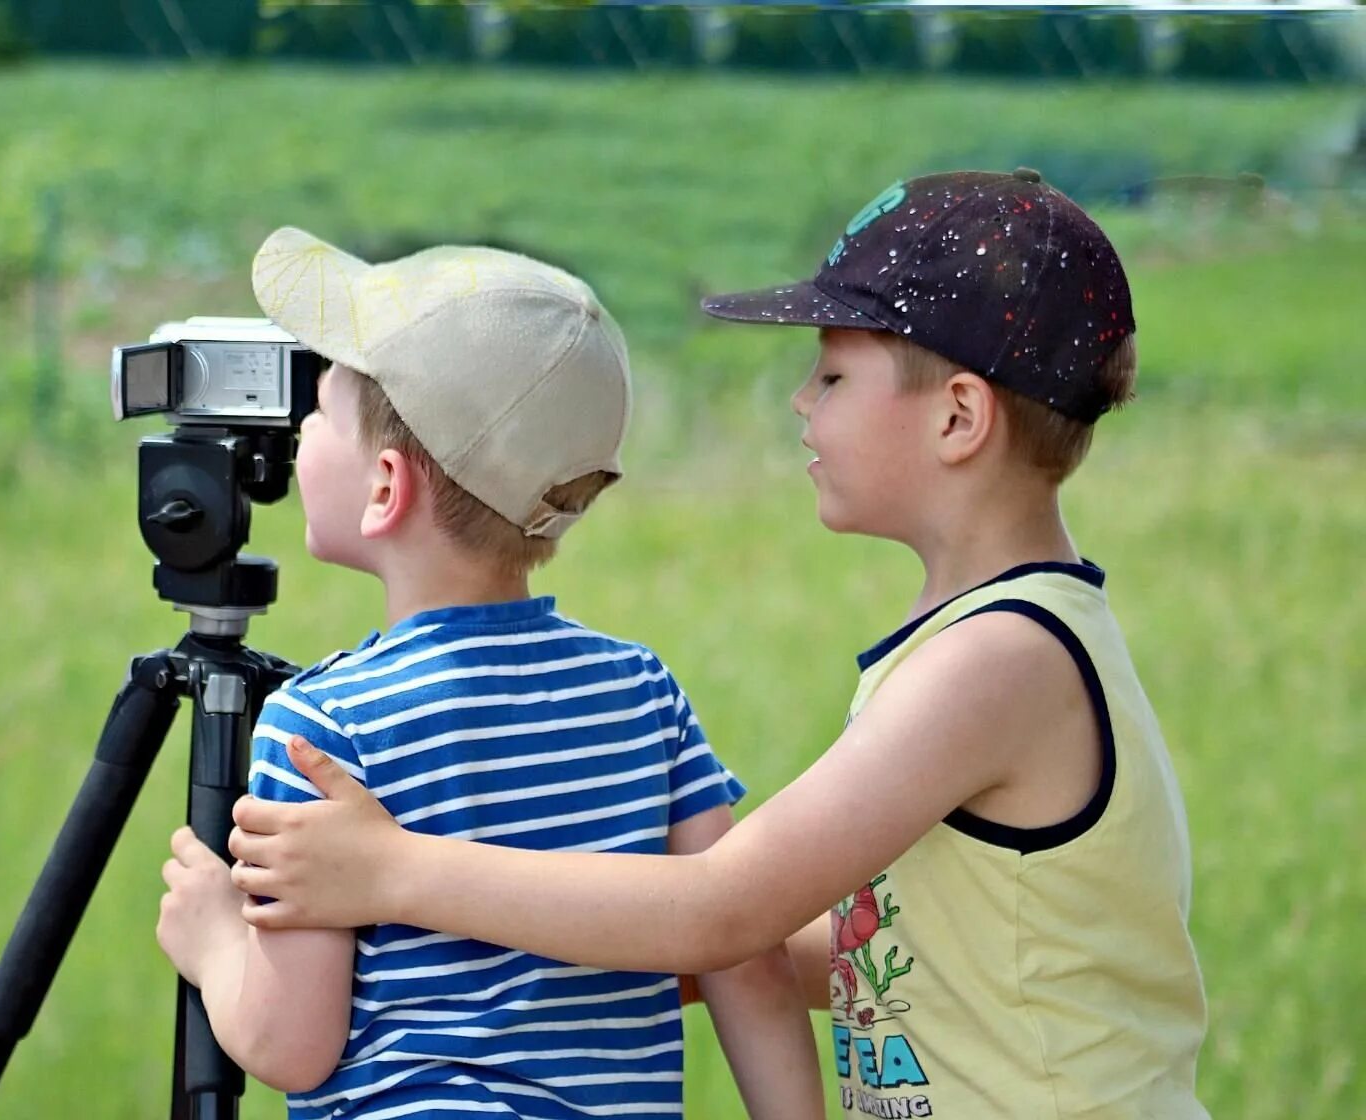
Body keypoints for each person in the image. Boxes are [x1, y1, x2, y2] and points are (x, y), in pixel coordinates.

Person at [228, 170, 1212, 1119]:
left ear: (958, 416)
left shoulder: (998, 661)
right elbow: (914, 950)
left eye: (830, 373)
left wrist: (395, 872)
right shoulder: (984, 638)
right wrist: (575, 941)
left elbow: (726, 909)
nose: (799, 401)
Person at [156, 226, 824, 1120]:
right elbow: (750, 961)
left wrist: (214, 945)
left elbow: (291, 1045)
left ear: (385, 487)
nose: (299, 426)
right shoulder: (641, 693)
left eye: (320, 408)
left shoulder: (324, 729)